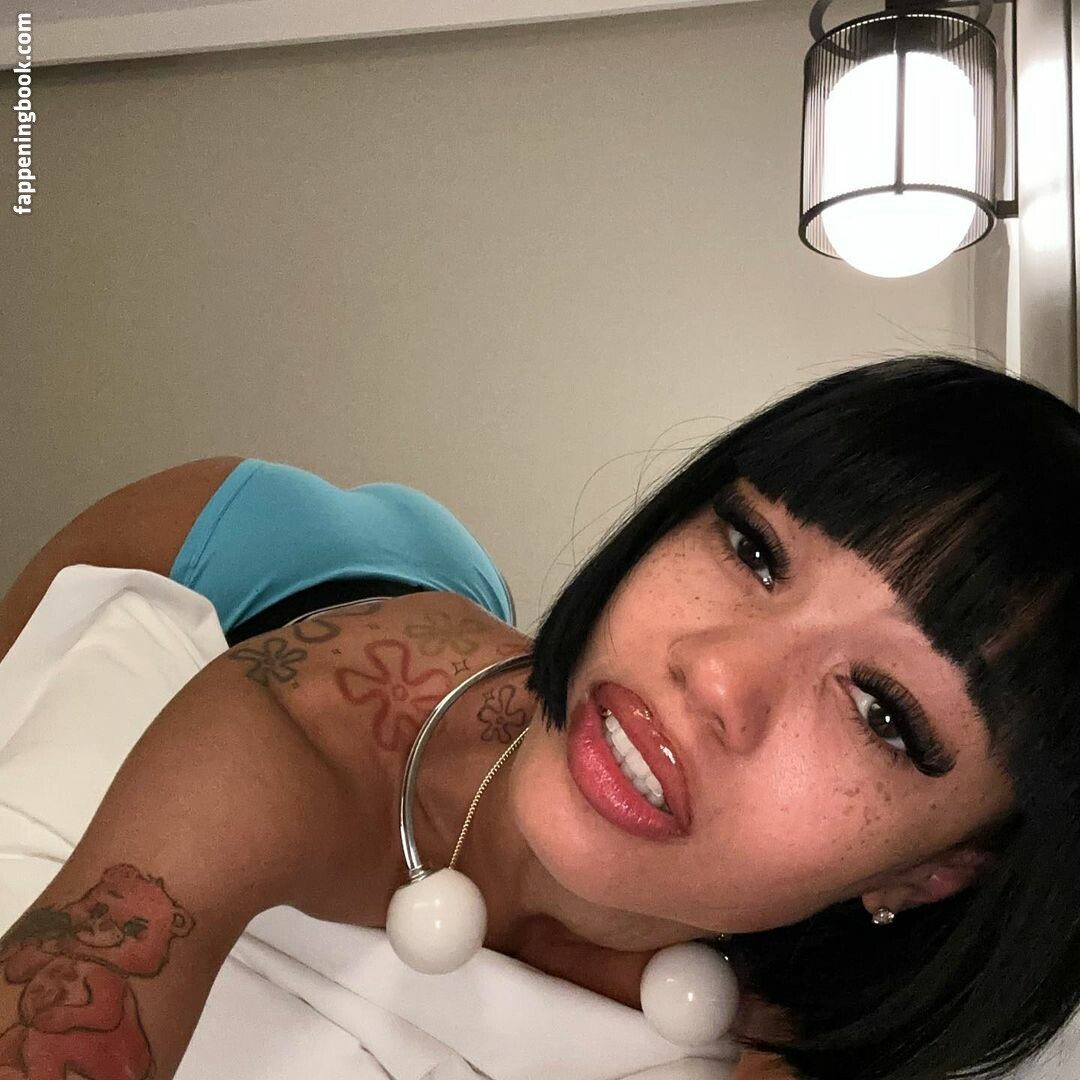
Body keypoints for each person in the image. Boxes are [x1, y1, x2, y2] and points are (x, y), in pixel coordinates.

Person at [1, 352, 1077, 1080]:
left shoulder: (828, 1006)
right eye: (752, 548)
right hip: (260, 549)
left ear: (936, 875)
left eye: (881, 711)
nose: (715, 672)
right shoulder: (295, 730)